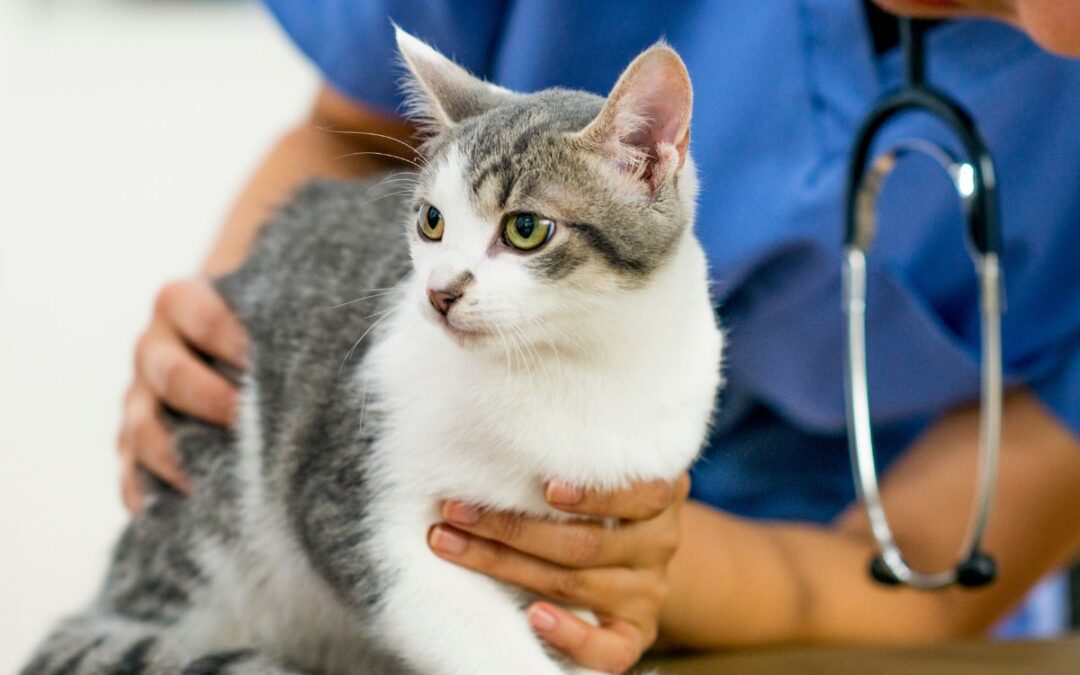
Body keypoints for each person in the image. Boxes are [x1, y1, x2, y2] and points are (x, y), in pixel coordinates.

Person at [116, 1, 1080, 672]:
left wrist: (628, 558)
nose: (1056, 31)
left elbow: (937, 575)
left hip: (836, 610)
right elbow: (349, 137)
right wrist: (229, 352)